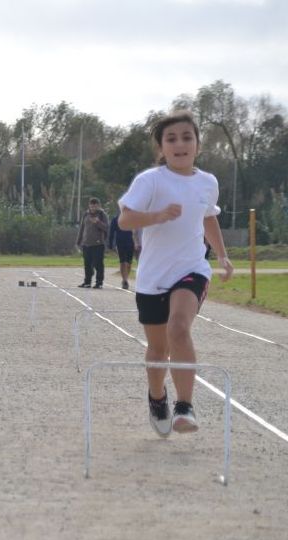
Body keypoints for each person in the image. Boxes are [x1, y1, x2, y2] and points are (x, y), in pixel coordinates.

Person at [118, 111, 234, 437]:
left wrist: (222, 255)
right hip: (153, 277)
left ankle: (185, 406)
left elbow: (208, 217)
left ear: (197, 144)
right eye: (171, 139)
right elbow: (125, 221)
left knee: (179, 328)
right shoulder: (150, 181)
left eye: (187, 137)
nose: (180, 144)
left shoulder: (208, 182)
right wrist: (156, 216)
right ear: (161, 148)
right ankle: (157, 398)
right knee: (157, 349)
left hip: (192, 269)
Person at [76, 197, 108, 288]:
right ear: (89, 206)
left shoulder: (102, 215)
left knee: (98, 264)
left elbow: (106, 227)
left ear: (98, 206)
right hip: (86, 243)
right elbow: (82, 228)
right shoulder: (86, 214)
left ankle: (99, 283)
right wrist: (78, 241)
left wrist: (98, 222)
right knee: (87, 264)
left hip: (98, 244)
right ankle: (87, 282)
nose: (93, 208)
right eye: (91, 206)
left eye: (95, 206)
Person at [108, 205, 138, 290]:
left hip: (130, 242)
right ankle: (124, 280)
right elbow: (111, 232)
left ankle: (126, 277)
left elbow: (136, 231)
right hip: (120, 242)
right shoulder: (115, 219)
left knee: (128, 263)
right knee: (122, 261)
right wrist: (110, 244)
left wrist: (137, 242)